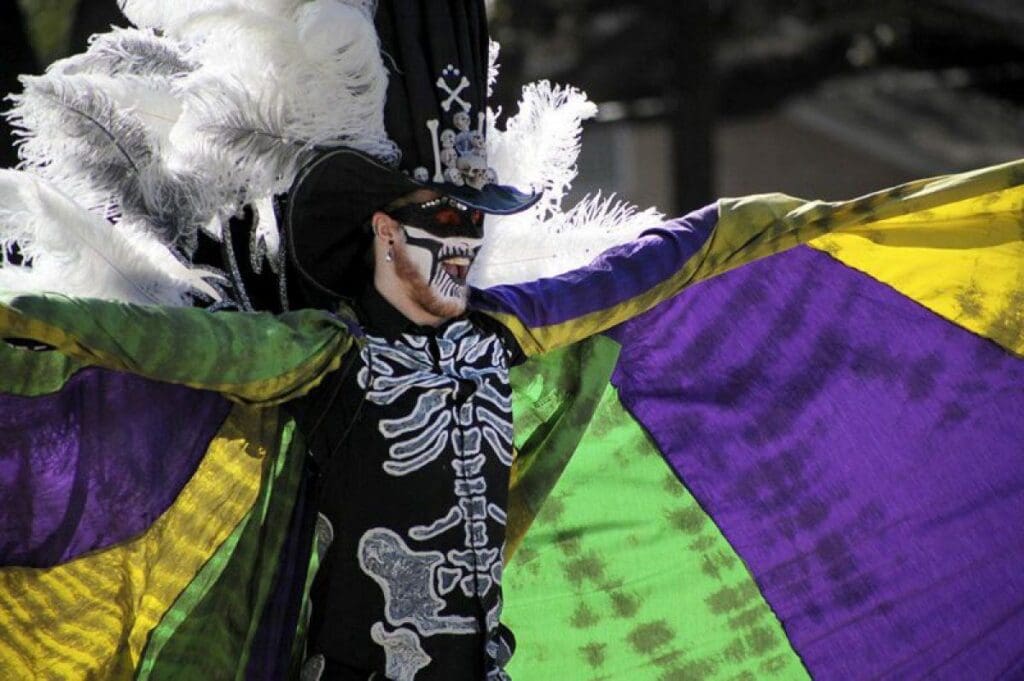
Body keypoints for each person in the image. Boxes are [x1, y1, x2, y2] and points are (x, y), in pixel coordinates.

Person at [1, 1, 1023, 680]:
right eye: (430, 226)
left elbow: (650, 265)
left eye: (463, 227)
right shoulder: (251, 369)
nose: (453, 248)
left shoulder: (492, 341)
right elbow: (120, 328)